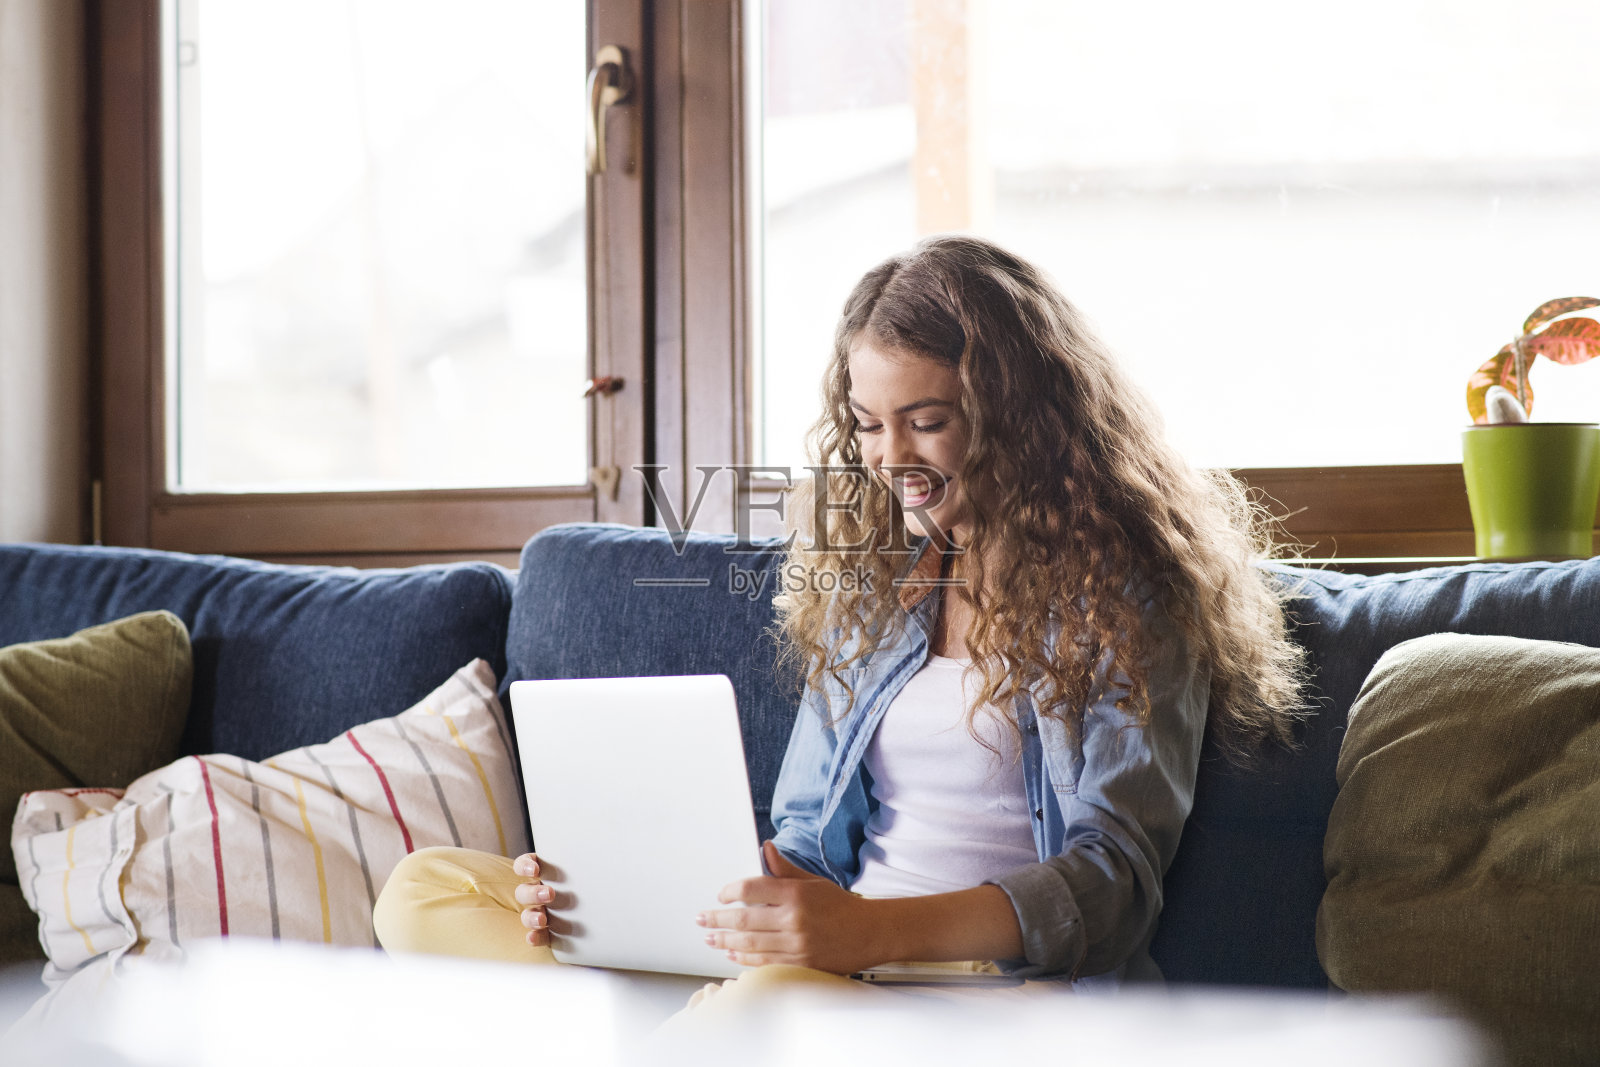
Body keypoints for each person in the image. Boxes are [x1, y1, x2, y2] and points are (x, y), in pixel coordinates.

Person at [373, 234, 1306, 1005]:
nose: (887, 456)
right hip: (829, 964)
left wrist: (864, 929)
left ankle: (672, 1022)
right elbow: (810, 848)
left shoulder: (1128, 590)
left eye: (926, 420)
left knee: (761, 1001)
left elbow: (1113, 886)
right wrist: (620, 887)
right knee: (426, 892)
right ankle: (665, 1007)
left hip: (980, 993)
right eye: (866, 423)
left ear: (1021, 417)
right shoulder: (872, 580)